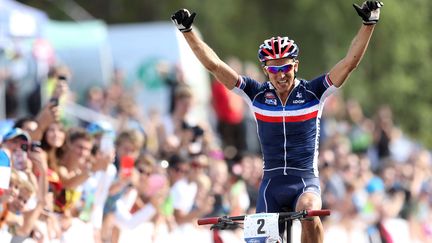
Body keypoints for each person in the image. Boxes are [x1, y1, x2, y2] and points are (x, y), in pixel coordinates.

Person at [171, 1, 383, 243]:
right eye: (274, 70)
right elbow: (215, 66)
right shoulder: (256, 94)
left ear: (296, 65)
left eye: (286, 68)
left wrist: (368, 24)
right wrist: (188, 33)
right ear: (265, 71)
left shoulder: (314, 92)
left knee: (309, 212)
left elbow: (349, 63)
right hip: (271, 184)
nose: (281, 75)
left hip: (305, 182)